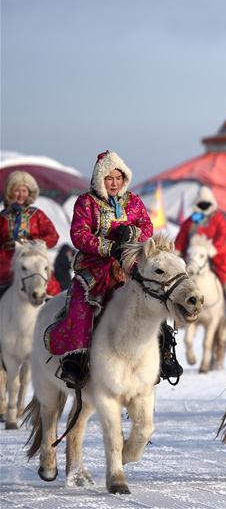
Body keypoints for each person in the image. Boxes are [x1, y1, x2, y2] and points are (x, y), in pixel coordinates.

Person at [44, 151, 157, 388]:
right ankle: (76, 358)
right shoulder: (86, 202)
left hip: (128, 263)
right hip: (94, 265)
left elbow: (147, 226)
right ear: (99, 180)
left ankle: (163, 354)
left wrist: (133, 234)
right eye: (109, 178)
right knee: (81, 302)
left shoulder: (134, 201)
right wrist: (108, 247)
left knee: (153, 297)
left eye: (118, 178)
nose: (114, 183)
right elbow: (79, 234)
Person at [175, 186, 226, 319]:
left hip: (217, 255)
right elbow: (182, 237)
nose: (204, 206)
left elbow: (222, 235)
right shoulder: (191, 221)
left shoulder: (218, 218)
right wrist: (178, 250)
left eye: (206, 203)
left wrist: (213, 249)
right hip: (194, 257)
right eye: (201, 203)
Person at [0, 171, 62, 299]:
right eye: (17, 190)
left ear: (29, 193)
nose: (21, 194)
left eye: (24, 191)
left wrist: (33, 243)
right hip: (7, 259)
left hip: (33, 257)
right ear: (11, 192)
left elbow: (53, 236)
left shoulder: (37, 214)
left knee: (50, 286)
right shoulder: (2, 217)